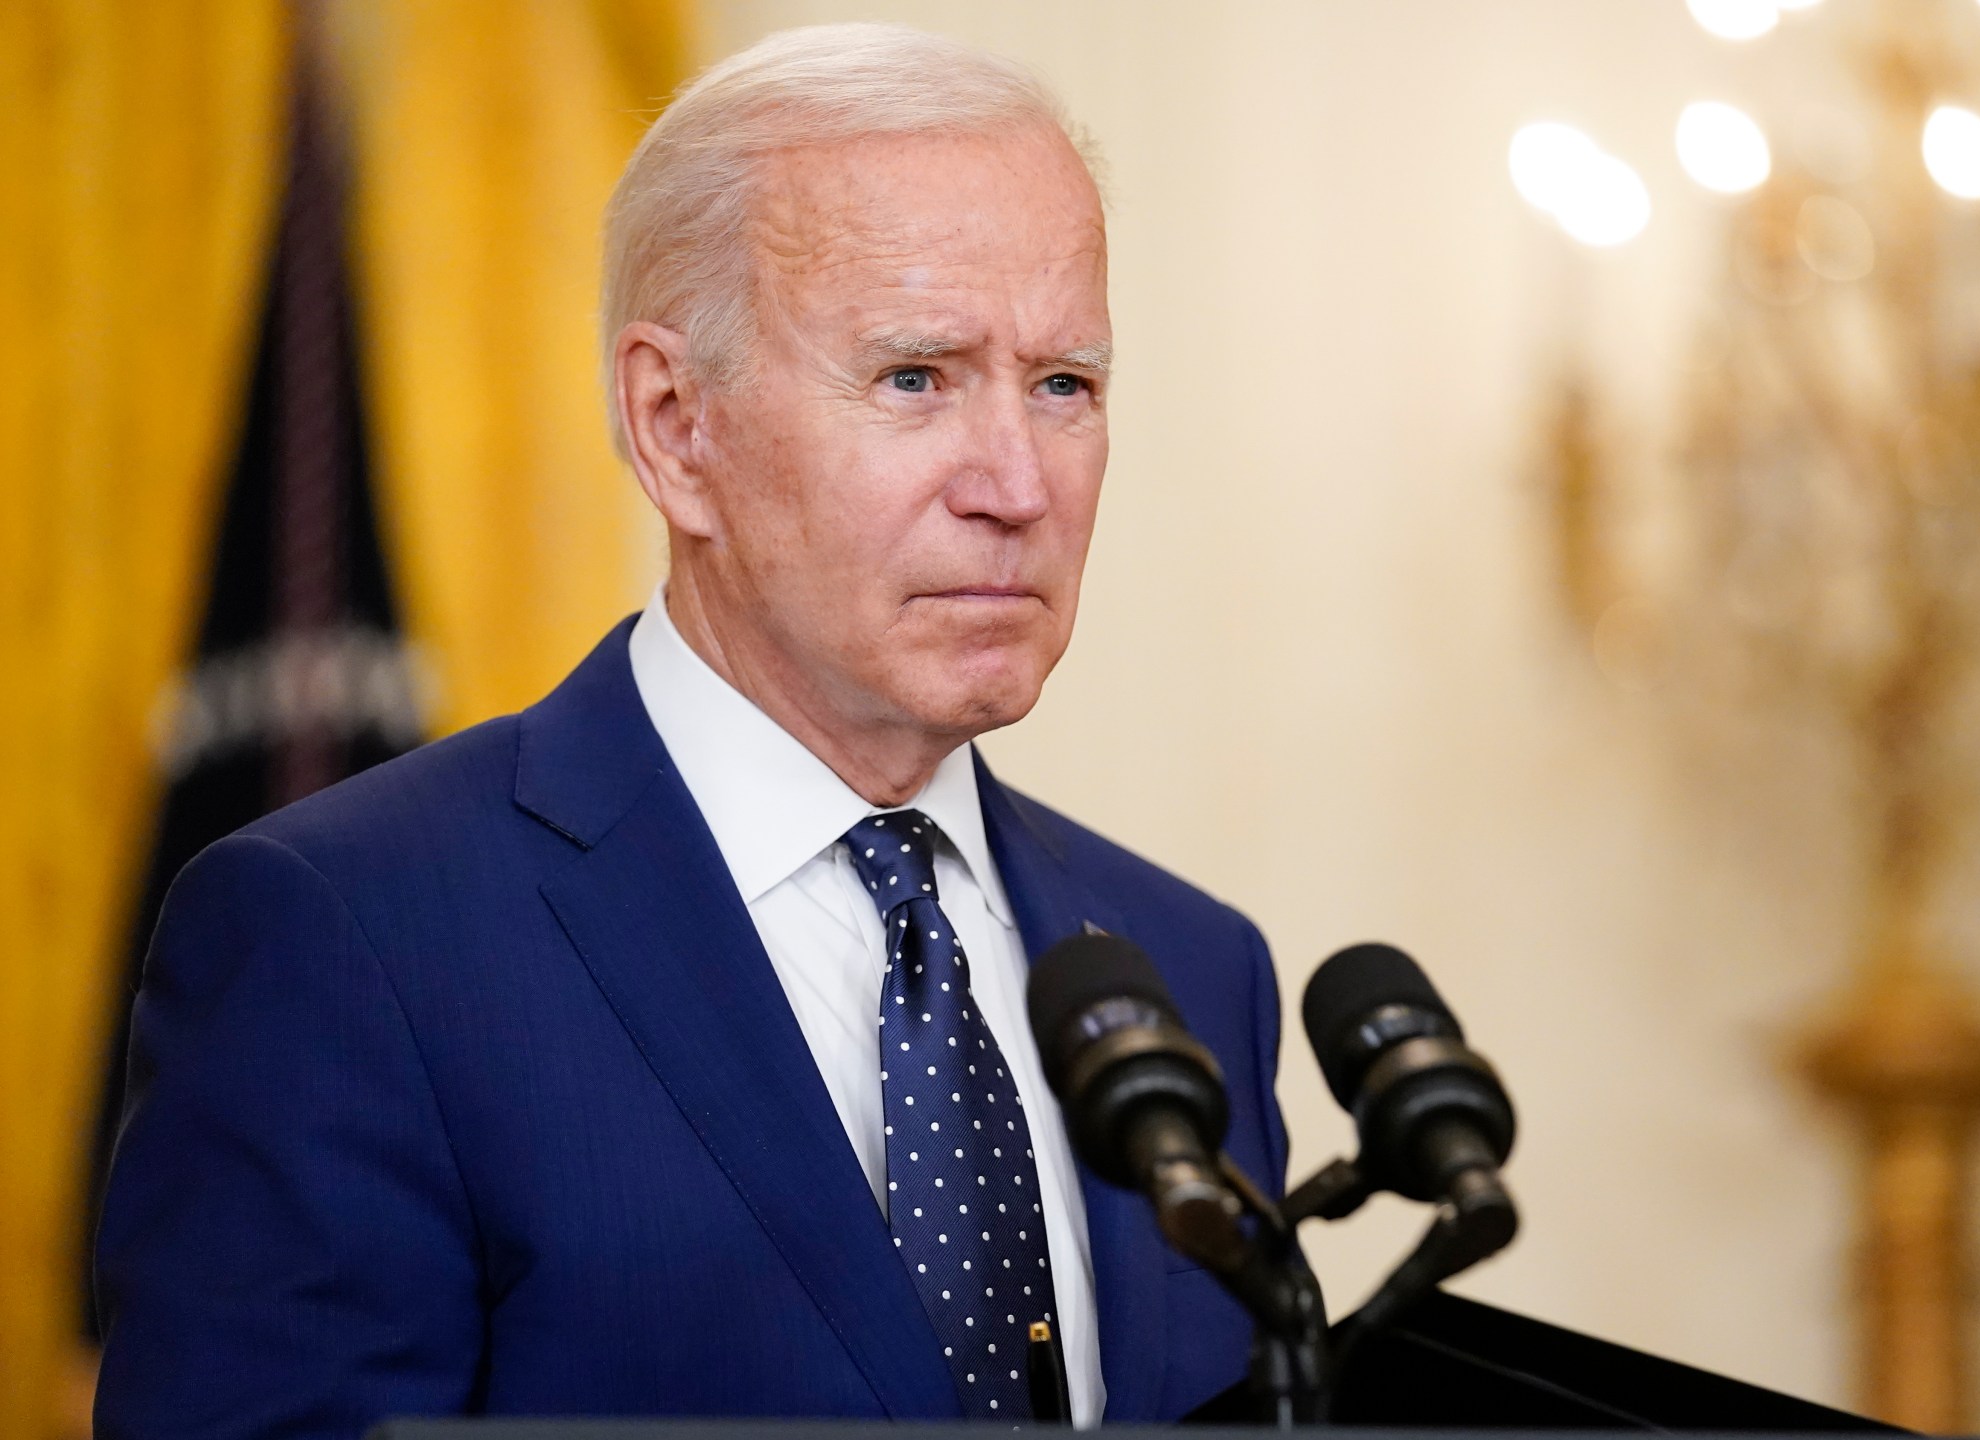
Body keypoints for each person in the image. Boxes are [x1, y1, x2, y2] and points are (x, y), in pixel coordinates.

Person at [92, 24, 1286, 1437]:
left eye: (1064, 386)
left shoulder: (1191, 971)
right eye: (915, 378)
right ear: (673, 426)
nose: (1018, 485)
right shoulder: (348, 943)